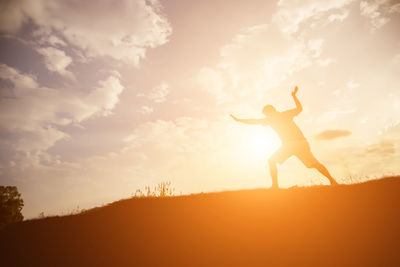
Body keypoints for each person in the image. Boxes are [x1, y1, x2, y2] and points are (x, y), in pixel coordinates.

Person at [230, 86, 338, 188]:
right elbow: (299, 108)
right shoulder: (285, 114)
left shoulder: (271, 119)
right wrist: (294, 96)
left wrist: (239, 120)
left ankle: (275, 187)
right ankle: (332, 181)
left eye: (266, 114)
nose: (266, 116)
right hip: (302, 142)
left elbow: (254, 121)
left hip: (291, 144)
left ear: (270, 112)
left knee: (271, 161)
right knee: (314, 164)